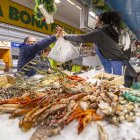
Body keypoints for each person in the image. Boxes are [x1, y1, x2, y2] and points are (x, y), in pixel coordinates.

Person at [62, 11, 136, 87]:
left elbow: (81, 38)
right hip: (120, 70)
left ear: (101, 22)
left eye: (97, 19)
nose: (95, 22)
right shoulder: (109, 33)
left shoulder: (100, 33)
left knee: (118, 95)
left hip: (119, 73)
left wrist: (65, 36)